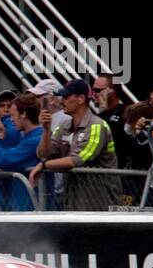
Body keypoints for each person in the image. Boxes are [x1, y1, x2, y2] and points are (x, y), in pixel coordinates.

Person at [31, 78, 120, 209]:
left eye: (66, 97)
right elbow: (44, 154)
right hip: (73, 201)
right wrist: (46, 129)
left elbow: (75, 160)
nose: (62, 101)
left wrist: (44, 165)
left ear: (81, 99)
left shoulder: (97, 126)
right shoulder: (64, 125)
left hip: (101, 204)